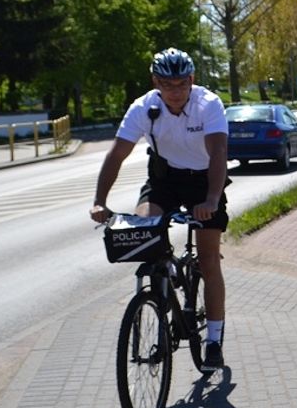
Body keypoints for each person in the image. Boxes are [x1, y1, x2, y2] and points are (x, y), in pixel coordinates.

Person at [90, 48, 231, 371]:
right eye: (168, 85)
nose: (175, 91)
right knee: (143, 226)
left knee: (209, 260)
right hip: (165, 178)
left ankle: (212, 340)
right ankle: (160, 287)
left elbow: (219, 151)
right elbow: (117, 155)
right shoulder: (144, 107)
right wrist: (100, 200)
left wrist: (211, 199)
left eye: (182, 84)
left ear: (192, 81)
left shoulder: (207, 104)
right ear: (156, 83)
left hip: (205, 179)